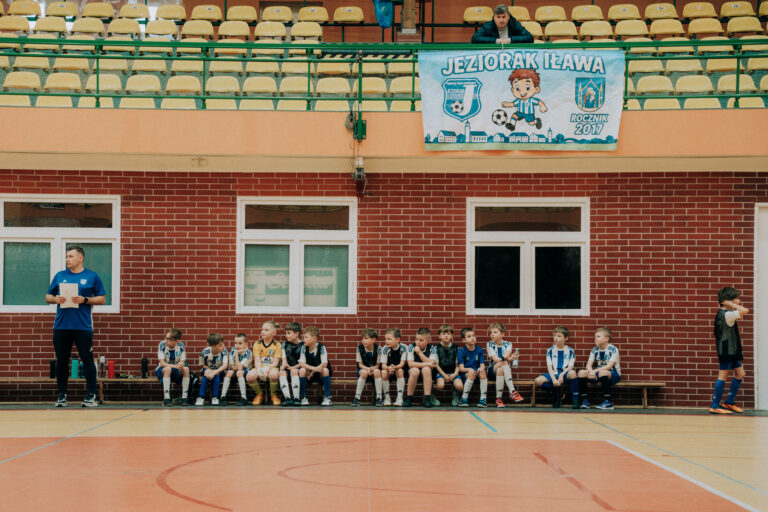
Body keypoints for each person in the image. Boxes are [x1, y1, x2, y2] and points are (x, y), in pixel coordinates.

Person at [45, 245, 107, 408]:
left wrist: (85, 300)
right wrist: (55, 299)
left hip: (83, 327)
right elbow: (48, 296)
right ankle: (62, 396)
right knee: (61, 361)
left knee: (87, 360)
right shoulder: (60, 275)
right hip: (61, 326)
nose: (67, 259)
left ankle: (91, 396)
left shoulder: (92, 276)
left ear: (81, 258)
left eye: (71, 256)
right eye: (66, 256)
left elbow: (102, 299)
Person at [710, 287, 750, 414]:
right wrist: (731, 304)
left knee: (740, 374)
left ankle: (729, 402)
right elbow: (745, 310)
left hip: (732, 350)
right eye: (736, 298)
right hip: (726, 350)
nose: (739, 300)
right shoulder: (727, 314)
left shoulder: (726, 313)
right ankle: (714, 405)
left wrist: (729, 303)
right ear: (728, 300)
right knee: (723, 376)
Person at [577, 328, 620, 410]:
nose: (595, 338)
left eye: (598, 336)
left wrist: (594, 371)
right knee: (581, 372)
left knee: (603, 372)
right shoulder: (595, 349)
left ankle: (608, 402)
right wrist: (591, 372)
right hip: (598, 372)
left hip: (613, 373)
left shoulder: (613, 349)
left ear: (606, 339)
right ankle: (585, 401)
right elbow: (588, 365)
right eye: (595, 336)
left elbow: (609, 366)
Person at [534, 327, 577, 408]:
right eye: (554, 336)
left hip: (565, 373)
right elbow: (549, 366)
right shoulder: (550, 350)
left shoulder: (570, 350)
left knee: (573, 373)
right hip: (554, 373)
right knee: (537, 381)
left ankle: (575, 400)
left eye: (559, 336)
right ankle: (558, 394)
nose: (556, 338)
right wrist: (554, 379)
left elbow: (570, 366)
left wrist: (562, 375)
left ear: (566, 338)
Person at [486, 322, 523, 408]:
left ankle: (498, 399)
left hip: (502, 370)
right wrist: (507, 359)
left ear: (502, 334)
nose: (492, 334)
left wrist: (512, 358)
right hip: (492, 370)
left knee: (501, 369)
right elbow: (495, 359)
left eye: (495, 332)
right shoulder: (489, 344)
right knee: (504, 363)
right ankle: (512, 391)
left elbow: (507, 355)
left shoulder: (508, 344)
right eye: (491, 333)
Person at [247, 320, 282, 406]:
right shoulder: (257, 344)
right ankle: (259, 394)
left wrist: (267, 368)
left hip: (272, 367)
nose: (263, 332)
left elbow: (276, 362)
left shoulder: (277, 345)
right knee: (250, 376)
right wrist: (260, 370)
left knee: (274, 374)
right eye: (262, 329)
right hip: (260, 367)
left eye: (266, 330)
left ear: (273, 333)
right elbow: (257, 360)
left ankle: (273, 395)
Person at [156, 327, 191, 407]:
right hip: (162, 369)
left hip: (175, 369)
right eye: (165, 338)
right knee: (168, 369)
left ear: (176, 341)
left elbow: (182, 361)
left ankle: (184, 398)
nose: (166, 340)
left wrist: (181, 364)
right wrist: (175, 366)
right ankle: (166, 399)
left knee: (186, 369)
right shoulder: (162, 344)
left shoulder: (181, 345)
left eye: (168, 339)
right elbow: (162, 363)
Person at [298, 326, 332, 406]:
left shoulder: (321, 347)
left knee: (325, 370)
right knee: (302, 370)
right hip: (310, 371)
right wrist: (312, 369)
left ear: (314, 338)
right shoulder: (303, 348)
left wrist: (313, 372)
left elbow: (324, 364)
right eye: (303, 337)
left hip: (320, 372)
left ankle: (327, 398)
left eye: (306, 337)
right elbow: (302, 363)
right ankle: (304, 397)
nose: (303, 339)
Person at [405, 328, 436, 408]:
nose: (418, 342)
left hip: (427, 373)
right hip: (413, 371)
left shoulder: (432, 348)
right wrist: (427, 363)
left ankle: (427, 398)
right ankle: (409, 398)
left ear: (428, 341)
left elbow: (432, 364)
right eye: (416, 339)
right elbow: (410, 364)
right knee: (415, 371)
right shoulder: (411, 346)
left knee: (426, 369)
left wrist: (419, 353)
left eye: (421, 340)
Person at [457, 327, 488, 407]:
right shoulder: (461, 351)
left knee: (483, 372)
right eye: (469, 336)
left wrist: (481, 368)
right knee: (471, 374)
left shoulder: (479, 350)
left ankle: (483, 399)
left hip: (477, 373)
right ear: (464, 340)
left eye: (473, 336)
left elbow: (482, 365)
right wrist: (469, 369)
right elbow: (461, 368)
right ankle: (463, 398)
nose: (472, 338)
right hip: (466, 374)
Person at [352, 328, 382, 406]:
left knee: (377, 371)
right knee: (364, 372)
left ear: (373, 340)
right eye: (362, 338)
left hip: (374, 370)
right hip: (363, 370)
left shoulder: (379, 349)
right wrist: (367, 369)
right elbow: (360, 364)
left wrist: (372, 368)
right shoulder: (359, 348)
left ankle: (379, 397)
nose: (363, 340)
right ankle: (357, 398)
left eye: (366, 338)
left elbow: (378, 365)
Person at [433, 324, 462, 407]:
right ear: (439, 336)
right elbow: (436, 365)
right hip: (441, 372)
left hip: (453, 372)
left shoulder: (456, 348)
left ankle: (455, 393)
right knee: (440, 385)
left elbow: (457, 365)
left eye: (448, 334)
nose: (446, 336)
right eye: (443, 334)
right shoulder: (436, 348)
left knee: (460, 386)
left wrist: (455, 374)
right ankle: (431, 394)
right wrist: (444, 375)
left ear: (452, 336)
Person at [196, 332, 228, 406]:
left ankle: (215, 397)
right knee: (206, 374)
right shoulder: (205, 352)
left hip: (219, 370)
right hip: (207, 370)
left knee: (216, 374)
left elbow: (225, 366)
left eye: (223, 343)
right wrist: (210, 371)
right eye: (220, 345)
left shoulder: (224, 351)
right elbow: (202, 365)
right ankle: (201, 397)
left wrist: (214, 372)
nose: (223, 346)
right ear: (213, 346)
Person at [221, 333, 252, 406]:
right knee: (229, 373)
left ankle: (244, 398)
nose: (237, 345)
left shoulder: (249, 353)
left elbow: (240, 367)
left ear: (246, 344)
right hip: (236, 371)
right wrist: (235, 368)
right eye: (235, 343)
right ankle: (222, 397)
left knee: (239, 372)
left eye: (240, 343)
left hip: (246, 372)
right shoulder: (233, 350)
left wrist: (237, 354)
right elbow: (232, 367)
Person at [380, 327, 408, 406]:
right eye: (385, 339)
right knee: (383, 372)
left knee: (399, 371)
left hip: (400, 370)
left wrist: (394, 368)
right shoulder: (385, 348)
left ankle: (399, 398)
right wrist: (389, 368)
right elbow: (383, 365)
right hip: (389, 370)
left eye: (389, 339)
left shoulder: (404, 347)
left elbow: (402, 363)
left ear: (397, 340)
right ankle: (387, 398)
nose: (386, 341)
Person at [279, 322, 304, 407]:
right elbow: (284, 358)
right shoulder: (285, 344)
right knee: (281, 372)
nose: (286, 335)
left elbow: (303, 362)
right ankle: (287, 398)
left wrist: (294, 367)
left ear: (297, 334)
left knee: (294, 371)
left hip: (298, 368)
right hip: (288, 367)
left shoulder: (303, 346)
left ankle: (296, 398)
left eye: (289, 333)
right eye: (286, 333)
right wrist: (284, 365)